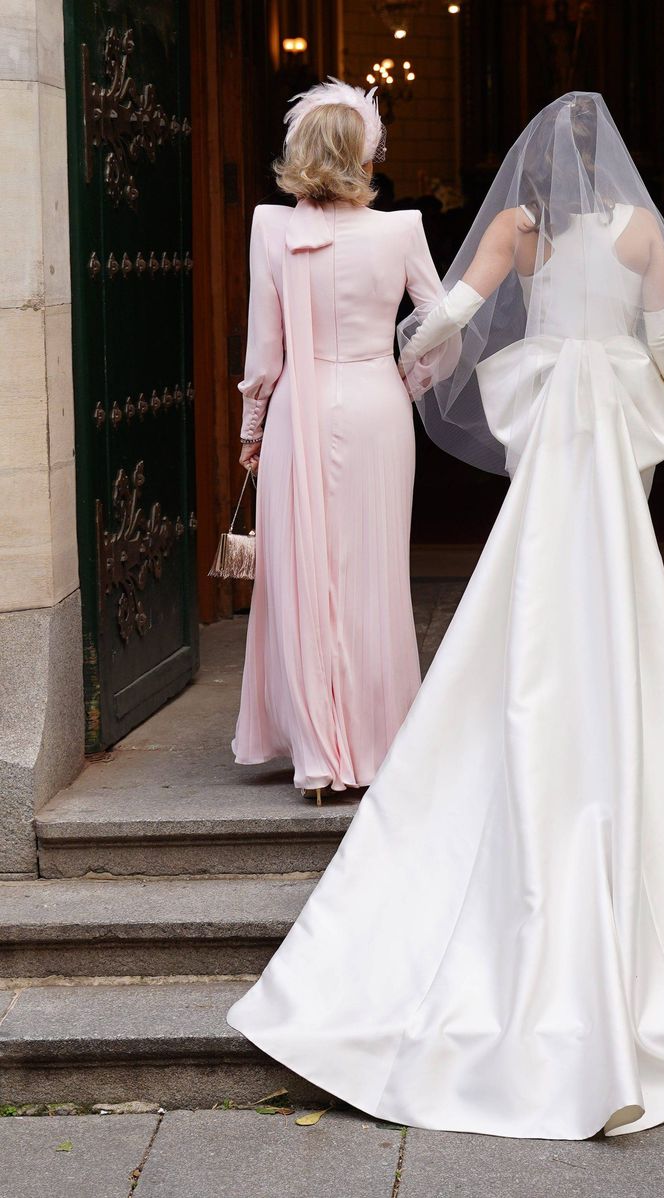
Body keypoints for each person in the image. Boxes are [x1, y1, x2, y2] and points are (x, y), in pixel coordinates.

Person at [228, 93, 664, 1139]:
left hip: (549, 426)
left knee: (523, 582)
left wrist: (398, 356)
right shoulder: (640, 231)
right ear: (612, 167)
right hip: (611, 419)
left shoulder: (515, 232)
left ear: (534, 169)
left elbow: (451, 314)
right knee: (618, 585)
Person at [231, 81, 449, 797]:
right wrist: (405, 380)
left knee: (301, 571)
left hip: (301, 401)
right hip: (376, 402)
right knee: (373, 569)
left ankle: (317, 755)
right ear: (364, 152)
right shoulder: (403, 228)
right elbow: (441, 326)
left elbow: (265, 349)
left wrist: (251, 430)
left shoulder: (271, 226)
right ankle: (376, 741)